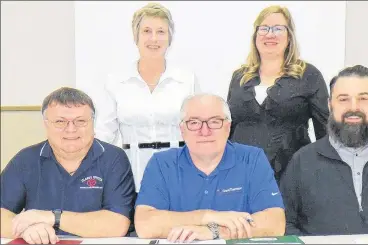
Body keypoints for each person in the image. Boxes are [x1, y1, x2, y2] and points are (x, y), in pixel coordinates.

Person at [134, 94, 285, 243]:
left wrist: (213, 231)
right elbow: (145, 225)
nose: (205, 131)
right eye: (194, 123)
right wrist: (206, 216)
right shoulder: (161, 163)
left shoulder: (252, 159)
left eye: (214, 122)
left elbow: (275, 222)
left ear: (228, 127)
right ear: (182, 129)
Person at [0, 87, 135, 243]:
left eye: (80, 121)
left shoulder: (114, 158)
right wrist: (25, 229)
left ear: (93, 123)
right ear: (45, 124)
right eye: (60, 122)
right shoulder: (25, 160)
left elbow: (117, 224)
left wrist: (52, 217)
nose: (71, 129)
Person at [280, 65, 368, 235]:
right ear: (330, 105)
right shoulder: (302, 161)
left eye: (363, 99)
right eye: (343, 99)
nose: (353, 108)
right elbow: (284, 222)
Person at [94, 2, 199, 193]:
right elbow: (104, 134)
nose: (154, 38)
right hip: (131, 175)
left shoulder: (187, 80)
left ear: (169, 37)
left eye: (161, 32)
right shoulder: (116, 81)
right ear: (136, 36)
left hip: (180, 174)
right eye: (146, 31)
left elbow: (198, 128)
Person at [226, 5, 329, 183]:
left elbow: (325, 131)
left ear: (289, 37)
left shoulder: (308, 75)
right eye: (264, 28)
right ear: (255, 35)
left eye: (278, 29)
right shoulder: (239, 77)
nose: (270, 34)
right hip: (240, 176)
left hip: (292, 177)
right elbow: (228, 128)